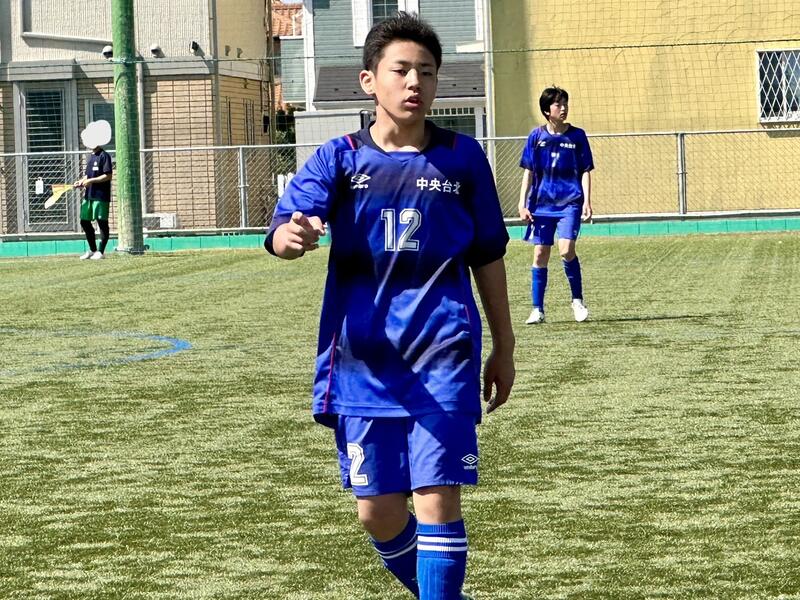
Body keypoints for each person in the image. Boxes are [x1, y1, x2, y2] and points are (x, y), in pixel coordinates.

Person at [264, 13, 515, 600]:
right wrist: (290, 237)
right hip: (362, 364)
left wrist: (504, 345)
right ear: (369, 80)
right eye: (401, 70)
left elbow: (488, 255)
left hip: (443, 353)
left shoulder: (462, 158)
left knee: (437, 498)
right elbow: (284, 227)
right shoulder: (340, 158)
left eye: (426, 72)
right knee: (376, 512)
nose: (414, 83)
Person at [518, 86, 594, 324]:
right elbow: (528, 172)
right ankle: (537, 309)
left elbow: (586, 170)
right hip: (541, 205)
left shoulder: (577, 136)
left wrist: (587, 201)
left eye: (565, 104)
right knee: (540, 253)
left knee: (566, 250)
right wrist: (522, 204)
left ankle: (577, 301)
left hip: (569, 203)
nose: (563, 108)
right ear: (546, 110)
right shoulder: (536, 137)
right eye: (558, 104)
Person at [74, 120, 113, 260]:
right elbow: (88, 175)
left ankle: (100, 252)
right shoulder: (91, 157)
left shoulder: (104, 156)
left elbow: (108, 175)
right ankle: (92, 250)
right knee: (84, 221)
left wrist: (91, 181)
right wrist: (81, 181)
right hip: (89, 196)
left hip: (101, 196)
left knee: (102, 222)